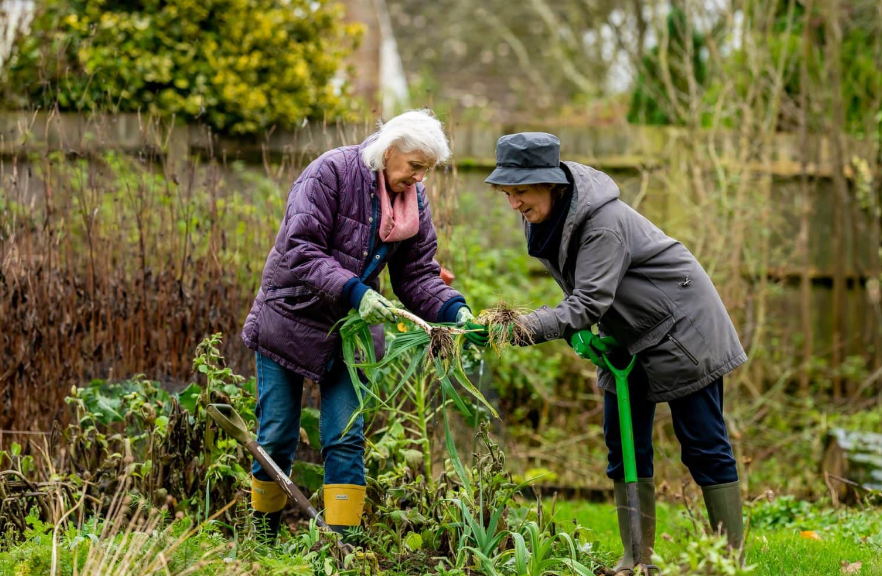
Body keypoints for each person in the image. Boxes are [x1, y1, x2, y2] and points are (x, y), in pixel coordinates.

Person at [479, 132, 746, 572]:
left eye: (521, 192)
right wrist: (576, 333)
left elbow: (586, 302)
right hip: (628, 333)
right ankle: (636, 558)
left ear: (552, 184)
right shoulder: (545, 218)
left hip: (683, 325)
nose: (514, 204)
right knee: (622, 444)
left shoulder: (602, 222)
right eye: (507, 193)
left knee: (703, 443)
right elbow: (584, 294)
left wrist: (521, 327)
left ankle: (728, 561)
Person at [240, 109, 476, 542]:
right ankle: (263, 540)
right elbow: (300, 246)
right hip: (290, 316)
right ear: (389, 152)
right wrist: (356, 291)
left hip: (350, 332)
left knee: (345, 437)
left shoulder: (411, 201)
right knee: (276, 435)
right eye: (415, 167)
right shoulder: (330, 173)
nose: (420, 179)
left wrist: (454, 310)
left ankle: (338, 549)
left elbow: (417, 275)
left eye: (426, 170)